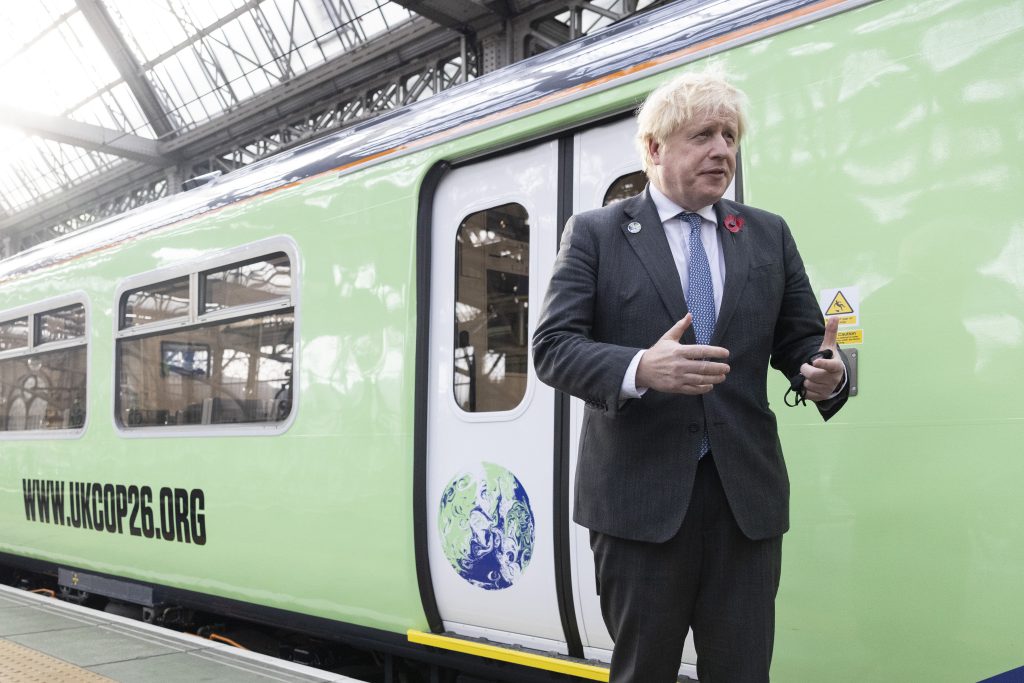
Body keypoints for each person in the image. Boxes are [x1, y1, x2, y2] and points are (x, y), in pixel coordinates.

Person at [532, 71, 849, 682]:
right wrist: (638, 367)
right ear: (654, 149)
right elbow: (552, 347)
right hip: (638, 504)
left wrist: (827, 374)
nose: (722, 150)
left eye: (730, 136)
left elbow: (804, 340)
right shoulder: (597, 234)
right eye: (703, 135)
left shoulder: (767, 234)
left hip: (744, 503)